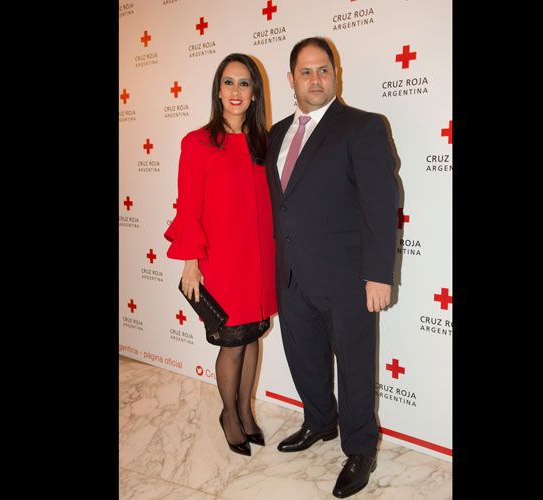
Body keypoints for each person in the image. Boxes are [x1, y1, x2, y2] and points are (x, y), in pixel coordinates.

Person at [265, 37, 398, 498]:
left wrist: (379, 272)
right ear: (291, 80)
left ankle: (361, 448)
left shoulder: (362, 127)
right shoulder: (276, 134)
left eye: (324, 70)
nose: (315, 79)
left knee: (355, 367)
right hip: (291, 275)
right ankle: (319, 422)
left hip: (348, 278)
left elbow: (381, 203)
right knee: (304, 357)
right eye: (306, 71)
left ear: (335, 75)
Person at [165, 53, 277, 457]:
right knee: (232, 341)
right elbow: (188, 206)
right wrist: (190, 261)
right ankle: (229, 415)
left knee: (252, 337)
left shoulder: (265, 142)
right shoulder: (196, 142)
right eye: (228, 82)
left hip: (261, 258)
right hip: (223, 260)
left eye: (244, 83)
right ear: (218, 89)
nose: (235, 91)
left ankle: (246, 412)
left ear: (254, 93)